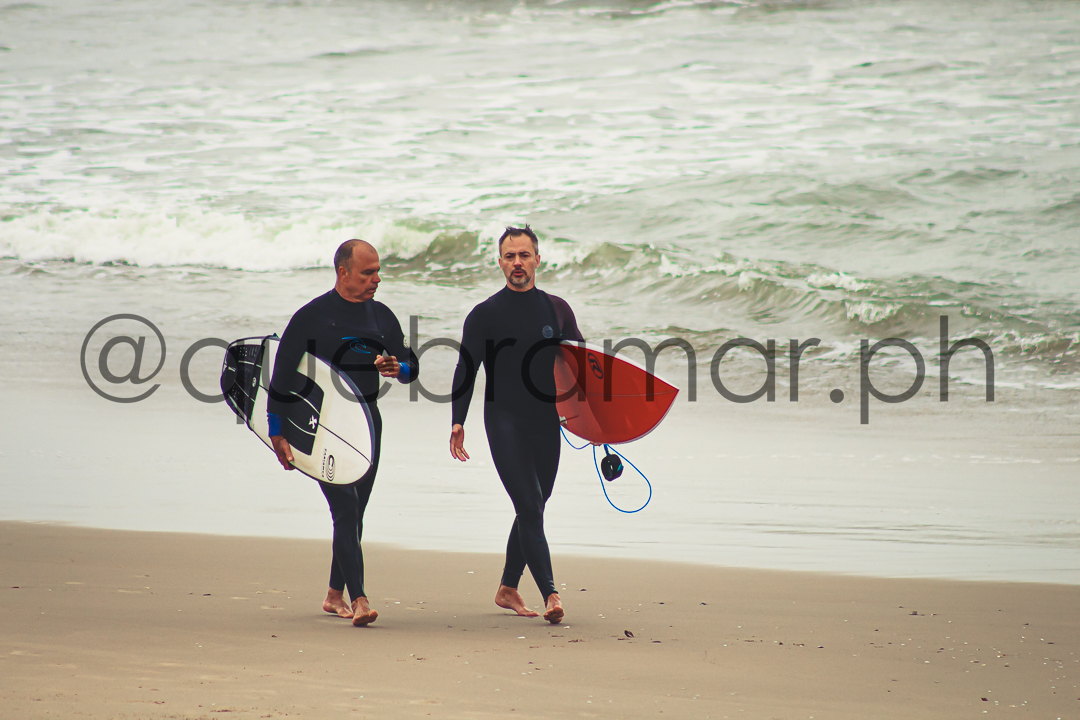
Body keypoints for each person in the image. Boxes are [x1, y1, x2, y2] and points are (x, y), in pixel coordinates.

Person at [268, 239, 418, 627]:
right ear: (343, 272)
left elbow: (411, 366)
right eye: (368, 273)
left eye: (378, 271)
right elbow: (281, 375)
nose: (376, 279)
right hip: (322, 427)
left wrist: (397, 368)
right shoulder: (312, 317)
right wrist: (277, 431)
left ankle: (334, 595)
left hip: (367, 423)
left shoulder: (382, 317)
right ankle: (360, 599)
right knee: (346, 509)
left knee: (356, 511)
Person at [449, 225, 583, 624]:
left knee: (535, 504)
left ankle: (508, 588)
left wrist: (594, 422)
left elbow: (580, 364)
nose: (518, 263)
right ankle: (551, 594)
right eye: (510, 256)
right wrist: (458, 421)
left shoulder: (557, 310)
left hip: (546, 419)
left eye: (524, 255)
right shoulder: (485, 314)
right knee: (528, 503)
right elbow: (466, 369)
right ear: (500, 262)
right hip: (503, 417)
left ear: (538, 260)